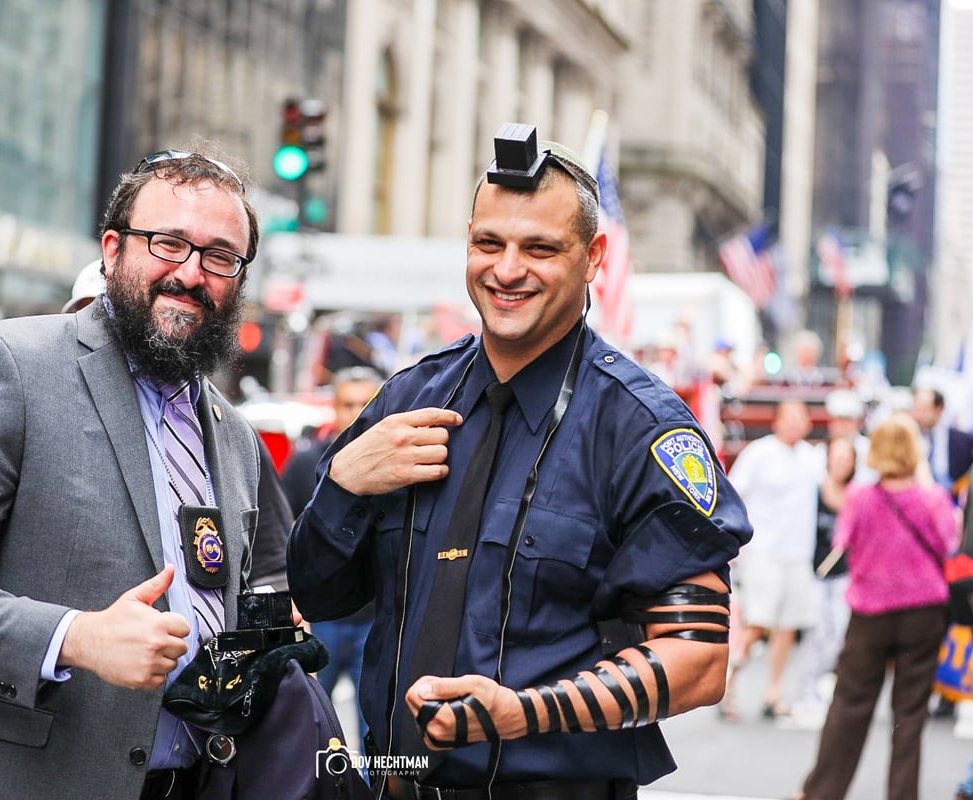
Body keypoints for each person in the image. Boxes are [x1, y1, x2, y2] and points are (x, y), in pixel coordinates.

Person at [287, 131, 752, 798]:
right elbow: (321, 594)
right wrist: (341, 486)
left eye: (540, 248)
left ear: (594, 258)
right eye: (489, 244)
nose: (507, 270)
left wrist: (521, 713)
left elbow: (701, 662)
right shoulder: (406, 399)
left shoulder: (642, 430)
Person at [0, 147, 292, 800]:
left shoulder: (234, 437)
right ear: (113, 249)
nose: (190, 273)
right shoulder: (7, 365)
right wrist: (77, 637)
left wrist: (247, 662)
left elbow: (208, 600)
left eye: (219, 257)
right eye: (169, 243)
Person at [792, 412, 959, 800]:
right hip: (924, 613)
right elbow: (949, 541)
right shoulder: (931, 498)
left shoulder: (861, 497)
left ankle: (822, 791)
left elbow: (842, 541)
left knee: (849, 704)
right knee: (910, 713)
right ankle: (902, 795)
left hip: (870, 614)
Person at [281, 366, 383, 752]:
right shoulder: (307, 462)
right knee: (306, 726)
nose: (356, 412)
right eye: (348, 403)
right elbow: (281, 532)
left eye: (366, 403)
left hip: (375, 622)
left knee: (377, 731)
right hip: (321, 620)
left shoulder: (402, 461)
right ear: (334, 408)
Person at [724, 398, 819, 719]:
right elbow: (733, 495)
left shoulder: (811, 457)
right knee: (759, 623)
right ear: (776, 421)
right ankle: (728, 686)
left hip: (799, 553)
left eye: (800, 417)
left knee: (788, 627)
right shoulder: (759, 453)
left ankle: (773, 693)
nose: (795, 423)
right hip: (763, 550)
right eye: (789, 416)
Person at [790, 435, 857, 729]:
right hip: (815, 573)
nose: (841, 462)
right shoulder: (812, 491)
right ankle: (808, 693)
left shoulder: (856, 496)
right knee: (815, 635)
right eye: (837, 456)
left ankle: (830, 689)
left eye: (847, 458)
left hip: (845, 575)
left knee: (840, 634)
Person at [910, 386, 973, 501]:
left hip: (951, 501)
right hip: (916, 500)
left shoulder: (964, 441)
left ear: (939, 409)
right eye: (916, 409)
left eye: (924, 409)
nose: (918, 415)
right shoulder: (908, 438)